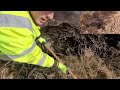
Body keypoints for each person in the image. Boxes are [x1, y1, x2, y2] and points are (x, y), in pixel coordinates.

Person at [0, 11, 68, 74]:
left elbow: (26, 21)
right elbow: (32, 56)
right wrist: (55, 64)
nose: (51, 17)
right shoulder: (20, 30)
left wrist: (37, 36)